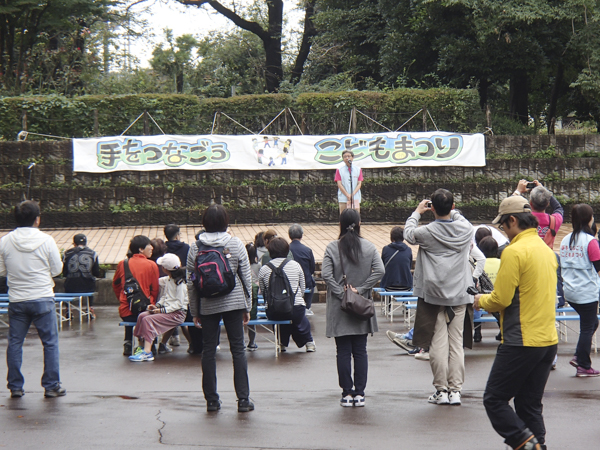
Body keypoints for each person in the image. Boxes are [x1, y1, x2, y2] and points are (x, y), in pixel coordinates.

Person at [475, 195, 558, 450]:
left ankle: (525, 442)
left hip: (522, 339)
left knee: (494, 399)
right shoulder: (546, 250)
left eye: (503, 226)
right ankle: (538, 445)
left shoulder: (513, 251)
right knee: (529, 404)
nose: (503, 232)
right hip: (548, 341)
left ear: (513, 220)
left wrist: (480, 301)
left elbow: (500, 299)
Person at [405, 189, 474, 407]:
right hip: (460, 294)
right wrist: (452, 212)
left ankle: (441, 390)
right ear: (453, 207)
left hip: (433, 295)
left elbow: (408, 233)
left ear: (431, 208)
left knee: (437, 344)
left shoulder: (425, 232)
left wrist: (417, 212)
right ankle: (456, 391)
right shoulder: (466, 230)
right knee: (456, 343)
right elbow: (461, 219)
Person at [187, 204, 254, 413]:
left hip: (207, 304)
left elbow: (191, 281)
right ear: (226, 221)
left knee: (208, 350)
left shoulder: (195, 247)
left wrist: (195, 311)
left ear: (204, 223)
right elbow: (246, 276)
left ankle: (212, 401)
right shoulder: (235, 243)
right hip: (233, 303)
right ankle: (243, 400)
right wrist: (247, 305)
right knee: (238, 350)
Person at [0, 200, 65, 398]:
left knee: (15, 343)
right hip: (42, 297)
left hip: (17, 299)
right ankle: (51, 385)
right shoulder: (47, 240)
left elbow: (2, 270)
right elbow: (57, 269)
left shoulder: (5, 241)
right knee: (50, 343)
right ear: (37, 220)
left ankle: (16, 386)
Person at [322, 209, 384, 407]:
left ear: (340, 223)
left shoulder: (333, 247)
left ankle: (346, 393)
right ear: (359, 223)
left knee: (342, 351)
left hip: (339, 308)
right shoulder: (369, 246)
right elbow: (380, 270)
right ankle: (360, 393)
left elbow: (326, 274)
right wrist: (362, 290)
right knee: (360, 351)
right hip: (361, 307)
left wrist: (342, 294)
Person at [559, 204, 600, 377]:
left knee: (591, 323)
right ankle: (583, 365)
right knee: (587, 326)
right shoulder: (590, 242)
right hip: (587, 292)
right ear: (589, 219)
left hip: (570, 290)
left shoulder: (565, 239)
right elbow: (597, 267)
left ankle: (579, 355)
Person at [259, 237, 316, 353]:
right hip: (296, 309)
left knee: (280, 311)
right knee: (297, 314)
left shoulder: (264, 269)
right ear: (287, 250)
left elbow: (264, 291)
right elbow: (303, 287)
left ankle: (282, 342)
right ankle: (309, 342)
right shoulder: (295, 265)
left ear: (270, 251)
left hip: (273, 310)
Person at [129, 254, 189, 362]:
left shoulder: (180, 283)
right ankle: (142, 345)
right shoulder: (170, 280)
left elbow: (179, 304)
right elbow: (166, 297)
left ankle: (147, 352)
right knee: (142, 315)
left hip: (177, 314)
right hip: (169, 311)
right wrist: (157, 306)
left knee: (148, 319)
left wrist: (161, 310)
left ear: (165, 269)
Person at [113, 235, 160, 356]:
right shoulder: (152, 265)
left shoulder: (122, 264)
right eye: (149, 245)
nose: (151, 247)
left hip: (126, 311)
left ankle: (128, 342)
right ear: (140, 249)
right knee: (149, 314)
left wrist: (123, 298)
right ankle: (151, 344)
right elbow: (155, 289)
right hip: (146, 311)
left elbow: (116, 284)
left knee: (130, 309)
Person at [382, 226, 415, 351]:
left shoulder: (386, 249)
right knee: (406, 287)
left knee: (389, 284)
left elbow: (383, 263)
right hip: (406, 284)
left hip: (389, 285)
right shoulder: (408, 250)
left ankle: (389, 308)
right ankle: (406, 311)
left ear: (392, 237)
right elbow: (410, 263)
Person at [512, 179, 564, 248]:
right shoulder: (555, 220)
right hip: (546, 257)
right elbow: (558, 208)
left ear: (530, 203)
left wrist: (517, 192)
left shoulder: (522, 219)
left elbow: (507, 209)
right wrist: (545, 191)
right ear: (547, 204)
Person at [163, 224, 191, 348]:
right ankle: (192, 343)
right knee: (183, 310)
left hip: (168, 284)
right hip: (184, 283)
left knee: (172, 308)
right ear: (178, 235)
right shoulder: (186, 248)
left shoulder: (163, 248)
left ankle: (172, 338)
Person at [62, 233, 100, 319]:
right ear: (86, 243)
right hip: (88, 287)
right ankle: (90, 308)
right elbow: (96, 273)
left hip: (71, 287)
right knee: (91, 280)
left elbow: (64, 272)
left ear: (74, 243)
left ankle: (68, 309)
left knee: (68, 281)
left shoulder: (67, 253)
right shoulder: (93, 253)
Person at [288, 224, 317, 316]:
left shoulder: (286, 249)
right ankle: (307, 306)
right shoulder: (307, 250)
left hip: (289, 281)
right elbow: (312, 268)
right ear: (301, 235)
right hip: (305, 280)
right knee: (311, 281)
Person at [245, 243, 260, 351]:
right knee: (252, 319)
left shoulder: (242, 265)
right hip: (254, 294)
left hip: (243, 295)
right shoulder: (258, 265)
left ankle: (241, 342)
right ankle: (252, 342)